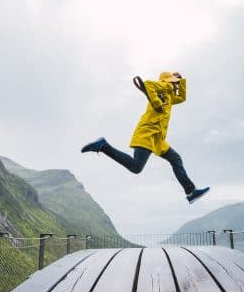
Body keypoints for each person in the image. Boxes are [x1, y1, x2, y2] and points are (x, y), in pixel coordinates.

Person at [81, 71, 210, 204]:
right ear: (166, 81)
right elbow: (148, 84)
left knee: (175, 159)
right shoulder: (163, 87)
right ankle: (103, 146)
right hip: (148, 133)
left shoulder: (169, 96)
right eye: (172, 81)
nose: (174, 83)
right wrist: (157, 102)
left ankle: (190, 191)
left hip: (158, 139)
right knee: (136, 167)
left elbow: (182, 98)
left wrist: (181, 81)